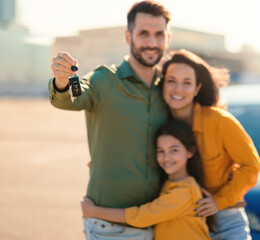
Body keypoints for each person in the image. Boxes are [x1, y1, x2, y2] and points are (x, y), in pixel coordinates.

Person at [48, 1, 172, 239]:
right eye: (143, 34)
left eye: (159, 34)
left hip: (160, 224)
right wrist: (64, 81)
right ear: (128, 36)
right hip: (110, 228)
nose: (152, 43)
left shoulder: (169, 89)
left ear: (168, 38)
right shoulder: (105, 80)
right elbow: (75, 96)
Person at [160, 49, 260, 240]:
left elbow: (251, 165)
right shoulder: (158, 125)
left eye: (187, 83)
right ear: (162, 84)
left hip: (225, 221)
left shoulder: (219, 120)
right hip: (182, 223)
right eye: (171, 81)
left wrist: (219, 201)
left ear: (197, 88)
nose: (178, 89)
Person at [81, 119, 212, 240]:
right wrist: (103, 172)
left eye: (174, 150)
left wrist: (94, 212)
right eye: (160, 151)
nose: (166, 157)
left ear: (190, 152)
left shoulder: (185, 191)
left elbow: (143, 216)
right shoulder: (167, 183)